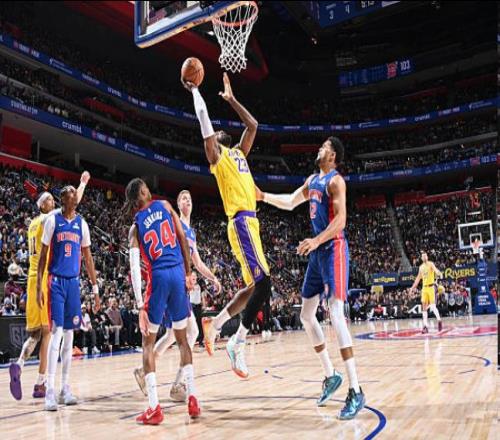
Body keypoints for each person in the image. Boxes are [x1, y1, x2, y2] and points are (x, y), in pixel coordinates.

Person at [256, 137, 366, 420]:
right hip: (318, 253)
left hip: (333, 249)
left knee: (336, 312)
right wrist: (263, 196)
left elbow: (341, 220)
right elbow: (291, 201)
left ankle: (356, 389)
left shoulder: (335, 181)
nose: (319, 148)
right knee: (306, 315)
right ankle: (330, 375)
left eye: (325, 146)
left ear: (333, 155)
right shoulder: (312, 180)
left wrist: (316, 240)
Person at [183, 72, 272, 379]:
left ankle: (216, 324)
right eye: (216, 133)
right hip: (241, 222)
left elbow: (253, 125)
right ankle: (237, 341)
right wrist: (195, 91)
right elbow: (204, 121)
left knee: (254, 288)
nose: (219, 131)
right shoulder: (217, 158)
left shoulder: (238, 154)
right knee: (264, 283)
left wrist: (232, 100)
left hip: (252, 223)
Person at [132, 189, 221, 402]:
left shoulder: (191, 232)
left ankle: (145, 371)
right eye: (182, 198)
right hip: (173, 281)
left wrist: (213, 278)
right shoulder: (171, 221)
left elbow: (197, 262)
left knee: (174, 334)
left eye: (189, 198)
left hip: (180, 282)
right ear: (177, 205)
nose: (187, 201)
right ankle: (177, 384)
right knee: (190, 332)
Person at [9, 172, 89, 401]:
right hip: (46, 279)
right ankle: (42, 384)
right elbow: (73, 202)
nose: (53, 203)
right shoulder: (49, 219)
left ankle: (20, 364)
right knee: (49, 333)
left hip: (31, 278)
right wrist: (82, 184)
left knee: (35, 334)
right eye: (50, 201)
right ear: (42, 205)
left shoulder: (32, 224)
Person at [125, 178, 200, 425]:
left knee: (148, 343)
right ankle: (192, 398)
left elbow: (134, 268)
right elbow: (182, 239)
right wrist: (187, 273)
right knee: (183, 340)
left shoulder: (135, 227)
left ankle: (154, 407)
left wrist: (139, 305)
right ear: (144, 192)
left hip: (158, 278)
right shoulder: (166, 206)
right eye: (146, 188)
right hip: (177, 273)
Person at [36, 184, 100, 411]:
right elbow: (43, 256)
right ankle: (49, 391)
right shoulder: (52, 221)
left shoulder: (82, 224)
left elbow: (88, 258)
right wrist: (39, 286)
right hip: (55, 281)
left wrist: (95, 289)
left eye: (75, 192)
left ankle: (65, 388)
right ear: (63, 199)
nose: (74, 195)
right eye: (70, 193)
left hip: (73, 283)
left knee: (70, 336)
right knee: (56, 333)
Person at [410, 251, 443, 332]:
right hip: (424, 288)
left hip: (431, 287)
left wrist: (439, 273)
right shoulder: (421, 267)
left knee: (433, 306)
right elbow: (418, 279)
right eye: (423, 256)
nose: (424, 257)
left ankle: (439, 320)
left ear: (427, 257)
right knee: (424, 307)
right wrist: (412, 288)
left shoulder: (431, 264)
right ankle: (425, 326)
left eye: (425, 256)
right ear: (421, 258)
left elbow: (436, 270)